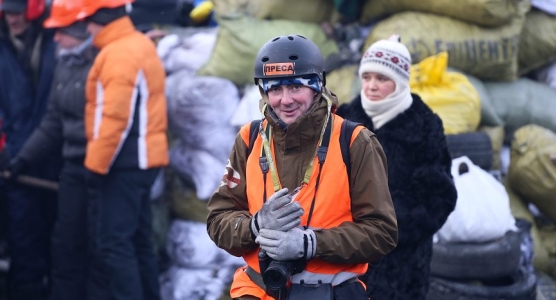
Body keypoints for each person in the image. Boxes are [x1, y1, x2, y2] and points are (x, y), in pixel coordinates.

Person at [207, 34, 398, 300]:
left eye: (296, 87)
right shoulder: (249, 139)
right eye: (275, 89)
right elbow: (218, 219)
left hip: (330, 292)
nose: (285, 100)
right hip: (257, 290)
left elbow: (382, 233)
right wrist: (255, 226)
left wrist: (311, 243)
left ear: (317, 87)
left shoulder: (354, 141)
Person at [336, 36, 458, 300]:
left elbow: (439, 197)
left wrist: (387, 232)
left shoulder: (424, 125)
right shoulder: (346, 118)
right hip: (345, 256)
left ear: (400, 81)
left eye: (382, 79)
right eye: (366, 77)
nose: (371, 86)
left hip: (401, 266)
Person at [76, 0, 169, 299]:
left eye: (88, 20)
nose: (86, 27)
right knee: (138, 242)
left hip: (125, 163)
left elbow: (116, 119)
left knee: (114, 245)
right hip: (141, 161)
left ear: (99, 19)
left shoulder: (119, 53)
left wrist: (95, 166)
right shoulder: (135, 44)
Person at [10, 0, 97, 298]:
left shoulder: (84, 59)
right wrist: (20, 158)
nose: (11, 19)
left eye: (16, 11)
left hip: (79, 164)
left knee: (81, 243)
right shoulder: (60, 60)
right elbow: (49, 119)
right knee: (51, 241)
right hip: (52, 161)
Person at [0, 0, 61, 298]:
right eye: (7, 12)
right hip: (12, 160)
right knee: (24, 240)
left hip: (52, 158)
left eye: (17, 11)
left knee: (58, 242)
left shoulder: (56, 40)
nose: (12, 19)